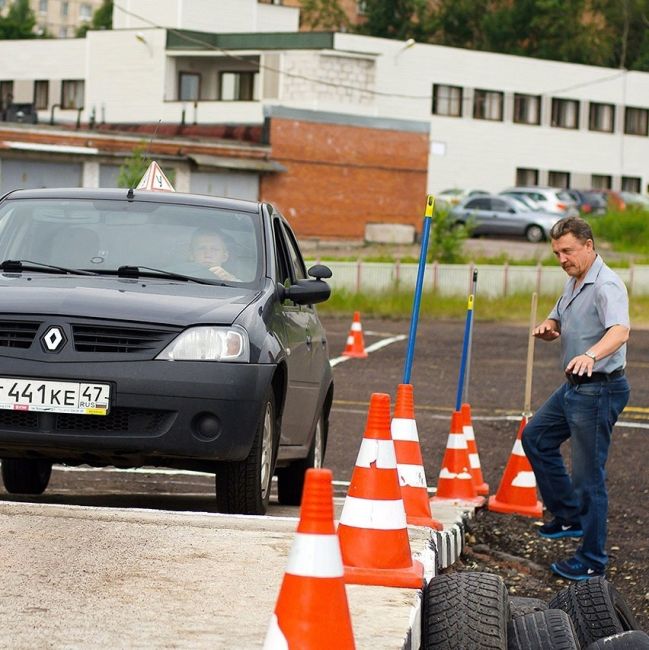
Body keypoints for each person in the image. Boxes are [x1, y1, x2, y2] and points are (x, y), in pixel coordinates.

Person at [522, 215, 630, 581]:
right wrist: (549, 327)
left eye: (567, 251)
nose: (562, 258)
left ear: (588, 245)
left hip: (600, 387)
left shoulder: (607, 286)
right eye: (557, 253)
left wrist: (592, 354)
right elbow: (558, 317)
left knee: (588, 477)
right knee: (535, 437)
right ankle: (568, 515)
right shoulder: (574, 282)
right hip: (575, 385)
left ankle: (592, 559)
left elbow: (620, 330)